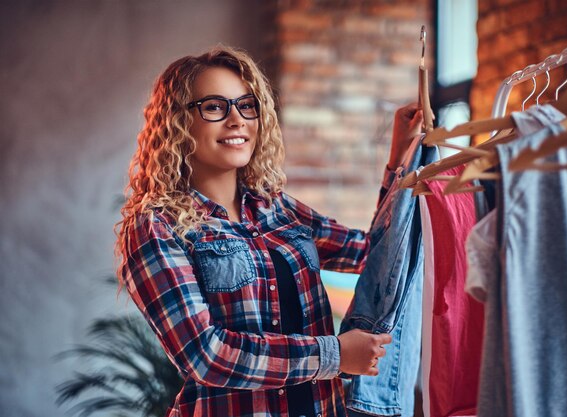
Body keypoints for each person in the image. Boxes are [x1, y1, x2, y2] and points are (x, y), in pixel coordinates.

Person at [116, 45, 423, 417]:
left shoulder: (276, 207)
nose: (237, 120)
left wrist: (398, 161)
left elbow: (370, 255)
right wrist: (336, 354)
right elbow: (206, 354)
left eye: (247, 105)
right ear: (177, 122)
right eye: (215, 107)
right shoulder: (155, 226)